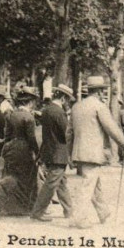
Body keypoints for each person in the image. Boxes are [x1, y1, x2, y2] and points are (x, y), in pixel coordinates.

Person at [66, 76, 124, 228]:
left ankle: (103, 213)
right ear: (100, 91)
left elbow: (69, 133)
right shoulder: (99, 107)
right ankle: (79, 219)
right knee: (88, 184)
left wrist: (70, 153)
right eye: (102, 91)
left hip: (79, 152)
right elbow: (111, 128)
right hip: (92, 153)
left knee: (94, 183)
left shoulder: (76, 107)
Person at [31, 84, 75, 222]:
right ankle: (37, 212)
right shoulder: (59, 112)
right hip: (59, 153)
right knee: (50, 184)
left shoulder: (46, 110)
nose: (67, 104)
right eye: (67, 100)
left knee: (60, 183)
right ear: (63, 98)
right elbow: (66, 133)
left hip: (49, 151)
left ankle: (69, 211)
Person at [0, 87, 41, 215]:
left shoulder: (12, 115)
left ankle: (9, 206)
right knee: (26, 178)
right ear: (30, 102)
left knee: (12, 176)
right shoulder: (29, 117)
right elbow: (31, 138)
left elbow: (7, 135)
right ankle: (24, 208)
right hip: (24, 149)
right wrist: (37, 152)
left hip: (11, 148)